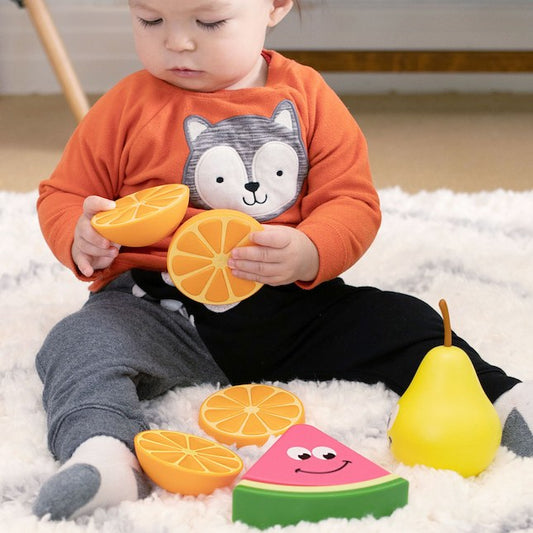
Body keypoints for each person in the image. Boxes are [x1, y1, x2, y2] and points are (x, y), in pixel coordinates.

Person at [33, 0, 532, 521]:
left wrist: (311, 250)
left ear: (274, 6)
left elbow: (351, 201)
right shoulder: (125, 106)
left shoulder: (306, 96)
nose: (176, 42)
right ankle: (105, 451)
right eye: (150, 20)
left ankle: (503, 399)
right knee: (77, 343)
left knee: (408, 321)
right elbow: (64, 193)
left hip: (294, 309)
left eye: (209, 22)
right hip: (159, 312)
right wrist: (79, 235)